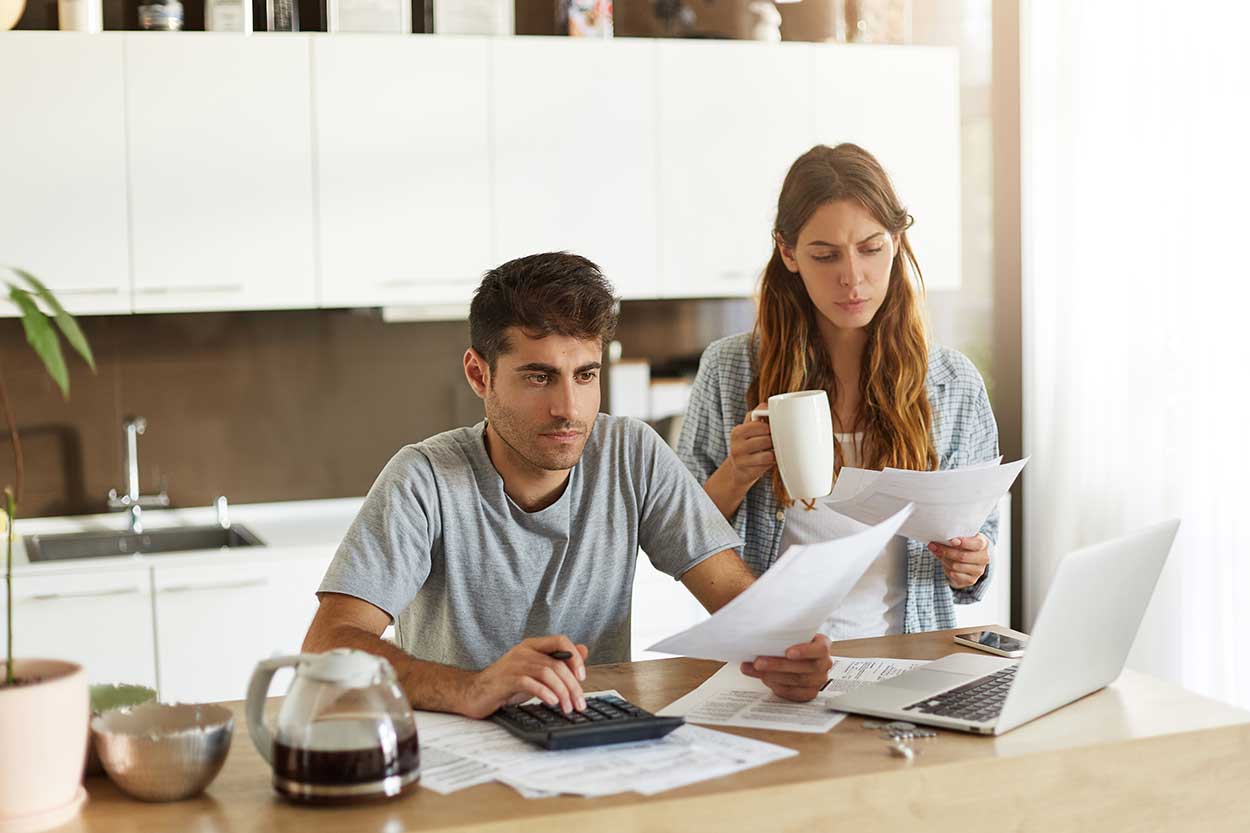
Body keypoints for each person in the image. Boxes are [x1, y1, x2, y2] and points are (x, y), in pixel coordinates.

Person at [303, 252, 833, 719]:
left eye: (585, 375)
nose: (568, 410)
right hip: (457, 750)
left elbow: (740, 601)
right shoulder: (423, 479)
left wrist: (788, 651)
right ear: (479, 374)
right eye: (539, 377)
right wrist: (475, 688)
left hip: (592, 738)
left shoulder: (632, 453)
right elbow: (328, 646)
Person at [677, 143, 1001, 665]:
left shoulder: (953, 382)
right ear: (788, 253)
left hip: (906, 658)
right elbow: (682, 534)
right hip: (772, 662)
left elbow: (979, 546)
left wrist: (972, 562)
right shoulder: (731, 369)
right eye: (825, 256)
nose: (851, 277)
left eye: (871, 248)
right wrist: (735, 474)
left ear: (897, 243)